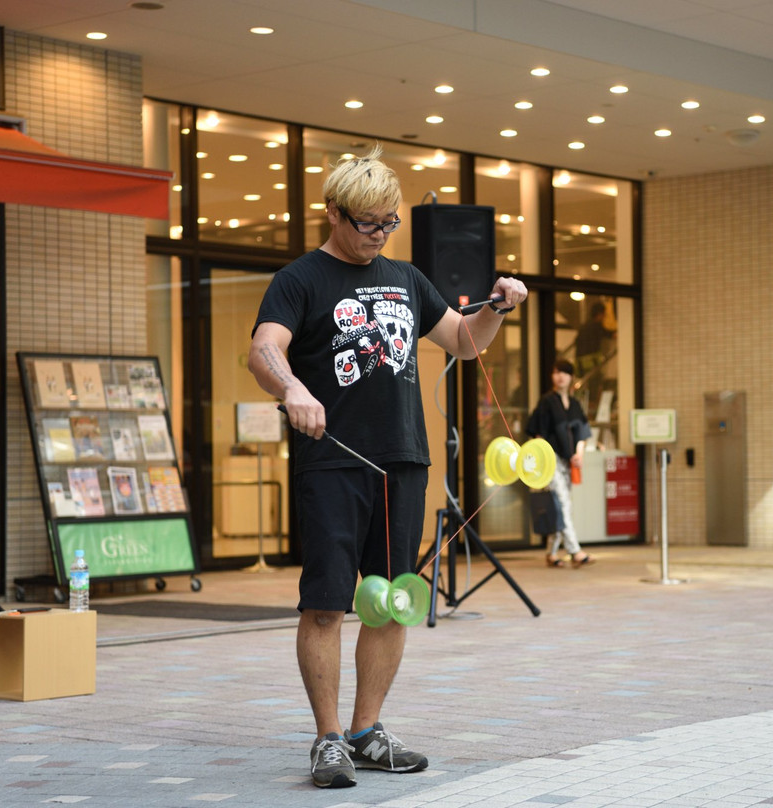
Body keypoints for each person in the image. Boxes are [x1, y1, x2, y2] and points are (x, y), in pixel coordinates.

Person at [247, 144, 527, 789]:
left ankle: (367, 731)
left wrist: (495, 310)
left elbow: (460, 339)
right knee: (325, 606)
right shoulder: (300, 280)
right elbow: (265, 349)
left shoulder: (405, 276)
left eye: (389, 221)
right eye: (367, 222)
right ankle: (327, 741)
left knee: (392, 602)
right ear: (334, 214)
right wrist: (292, 389)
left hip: (403, 459)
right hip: (333, 463)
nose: (379, 234)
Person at [526, 359, 595, 568]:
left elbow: (583, 433)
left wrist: (578, 454)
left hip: (568, 461)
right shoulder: (547, 401)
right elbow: (538, 434)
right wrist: (539, 463)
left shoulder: (575, 405)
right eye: (556, 372)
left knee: (560, 505)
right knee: (563, 503)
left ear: (571, 377)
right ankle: (575, 551)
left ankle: (552, 553)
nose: (560, 376)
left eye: (564, 372)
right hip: (551, 460)